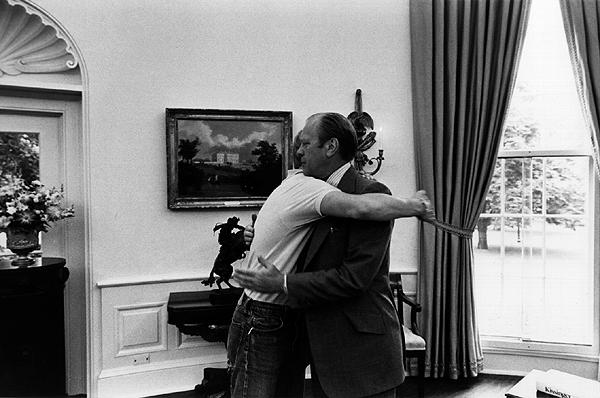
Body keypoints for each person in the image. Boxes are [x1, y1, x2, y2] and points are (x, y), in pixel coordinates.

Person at [227, 113, 434, 398]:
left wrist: (283, 284)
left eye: (305, 143)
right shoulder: (308, 188)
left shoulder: (371, 193)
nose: (298, 151)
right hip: (317, 349)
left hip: (360, 353)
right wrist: (259, 235)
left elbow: (355, 278)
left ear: (331, 147)